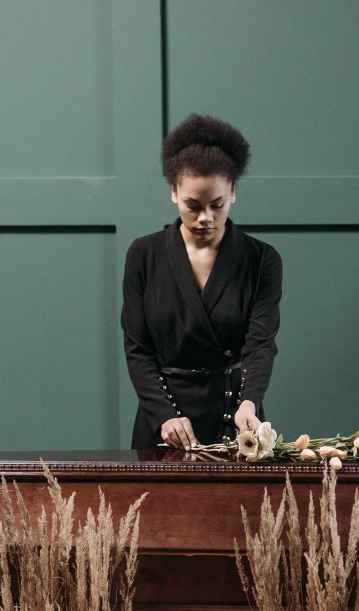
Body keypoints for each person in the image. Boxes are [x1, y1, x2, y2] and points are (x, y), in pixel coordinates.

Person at [121, 114, 282, 450]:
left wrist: (249, 403)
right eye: (192, 206)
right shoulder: (143, 255)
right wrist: (164, 416)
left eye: (217, 205)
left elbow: (260, 345)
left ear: (233, 193)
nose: (205, 218)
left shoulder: (261, 259)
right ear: (173, 193)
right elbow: (138, 349)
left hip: (236, 420)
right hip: (163, 426)